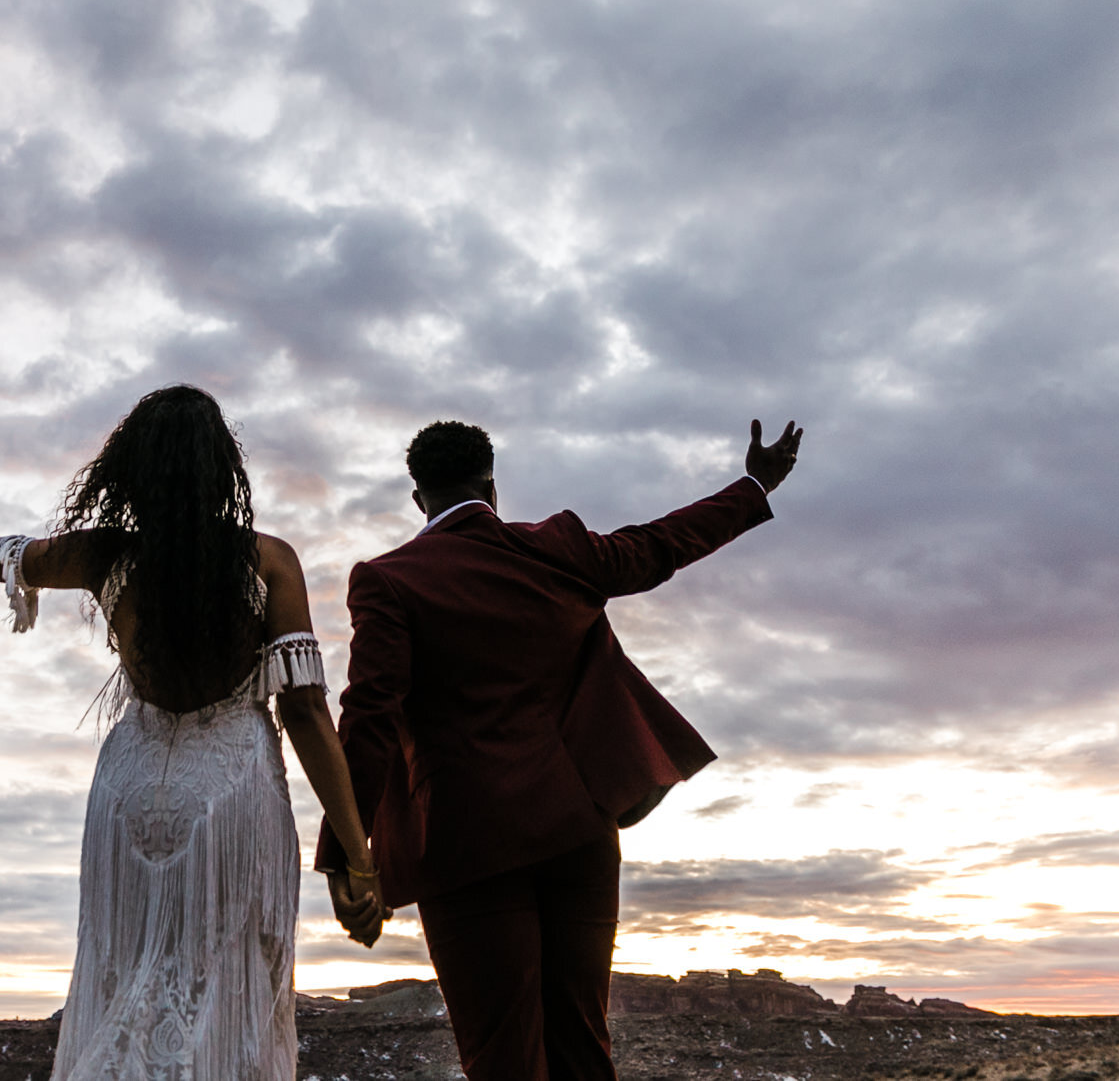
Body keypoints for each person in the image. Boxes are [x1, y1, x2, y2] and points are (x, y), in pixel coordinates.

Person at [0, 383, 383, 1081]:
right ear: (224, 470)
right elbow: (304, 711)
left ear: (132, 470)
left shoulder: (102, 556)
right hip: (233, 794)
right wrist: (358, 860)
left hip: (126, 793)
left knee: (123, 984)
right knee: (226, 994)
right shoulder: (267, 560)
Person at [318, 416, 804, 1081]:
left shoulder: (390, 580)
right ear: (492, 486)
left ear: (418, 499)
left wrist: (349, 855)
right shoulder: (558, 546)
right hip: (578, 831)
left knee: (501, 1056)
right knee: (581, 1045)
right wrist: (753, 484)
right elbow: (660, 543)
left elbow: (370, 713)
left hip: (468, 847)